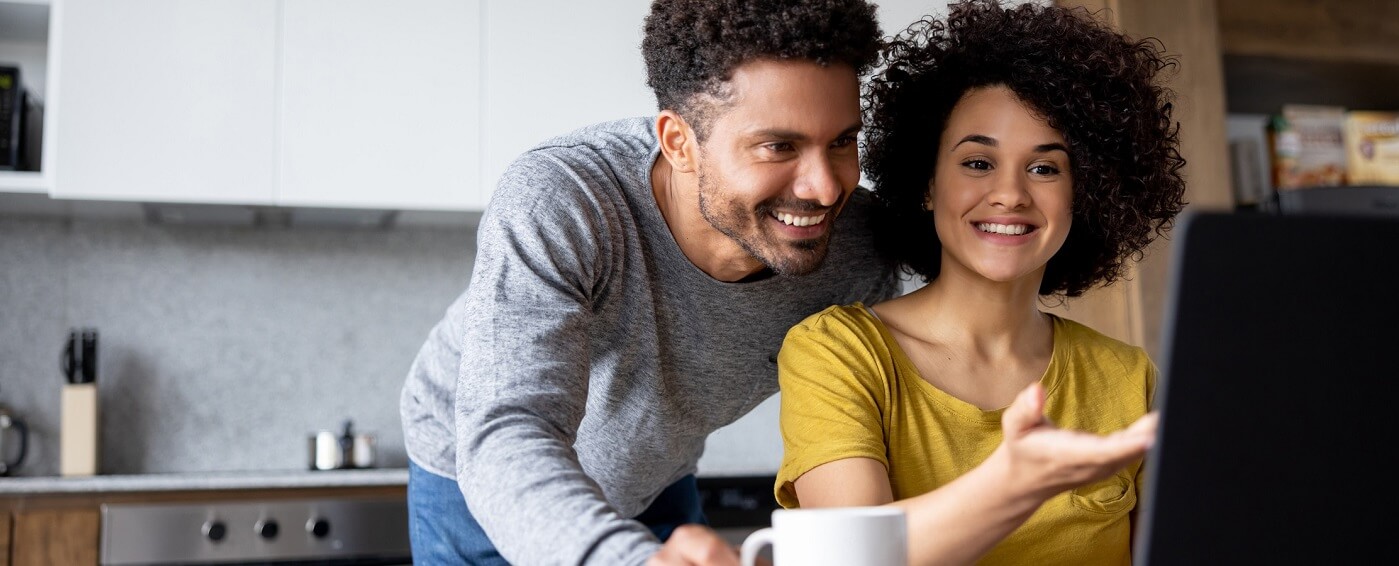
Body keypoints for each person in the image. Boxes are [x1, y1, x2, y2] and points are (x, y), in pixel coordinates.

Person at [399, 0, 899, 563]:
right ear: (678, 143)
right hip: (482, 479)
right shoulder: (565, 199)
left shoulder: (861, 247)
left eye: (841, 141)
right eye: (778, 146)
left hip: (654, 474)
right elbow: (511, 427)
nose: (826, 189)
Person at [773, 1, 1188, 565]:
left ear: (1083, 194)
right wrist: (1014, 483)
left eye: (1044, 168)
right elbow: (849, 555)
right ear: (926, 183)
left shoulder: (1127, 378)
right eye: (977, 163)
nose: (1011, 194)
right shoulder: (838, 353)